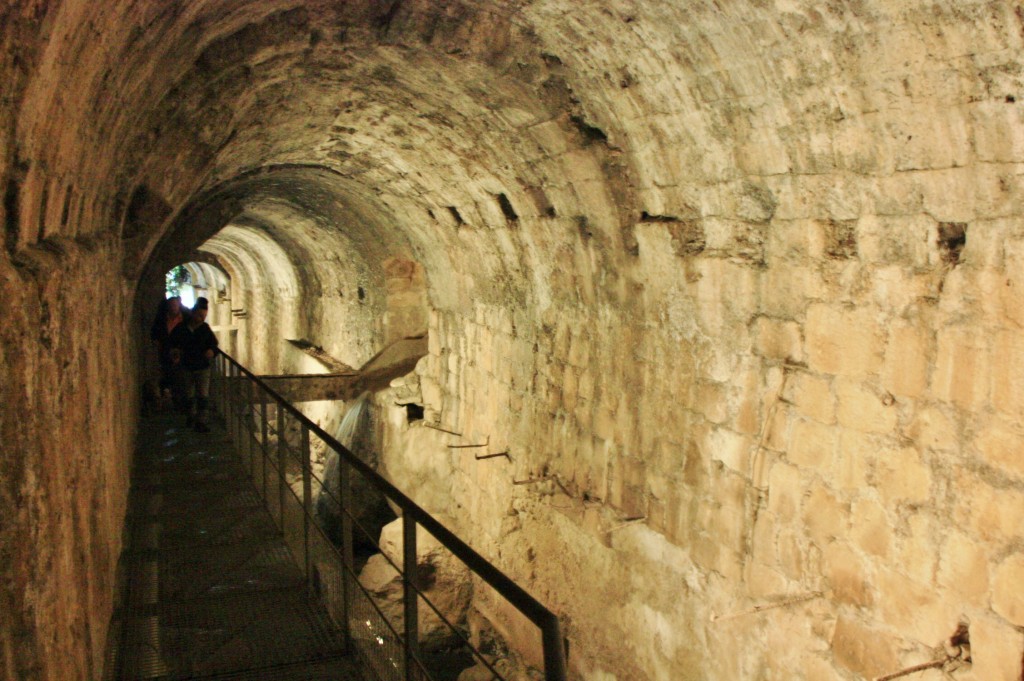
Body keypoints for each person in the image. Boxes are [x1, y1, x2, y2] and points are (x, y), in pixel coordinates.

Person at [169, 297, 219, 432]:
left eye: (204, 316)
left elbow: (214, 345)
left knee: (203, 395)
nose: (202, 318)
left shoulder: (205, 329)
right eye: (200, 315)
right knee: (188, 394)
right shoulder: (181, 328)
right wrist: (175, 353)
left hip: (202, 367)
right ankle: (191, 416)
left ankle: (201, 421)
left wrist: (211, 351)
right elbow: (172, 343)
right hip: (186, 366)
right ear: (193, 313)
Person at [150, 296, 187, 409]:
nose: (174, 308)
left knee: (180, 376)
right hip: (165, 350)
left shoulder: (185, 318)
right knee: (167, 373)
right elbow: (155, 332)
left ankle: (179, 401)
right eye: (172, 305)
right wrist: (157, 342)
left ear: (179, 306)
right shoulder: (162, 319)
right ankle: (167, 398)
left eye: (175, 305)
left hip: (181, 351)